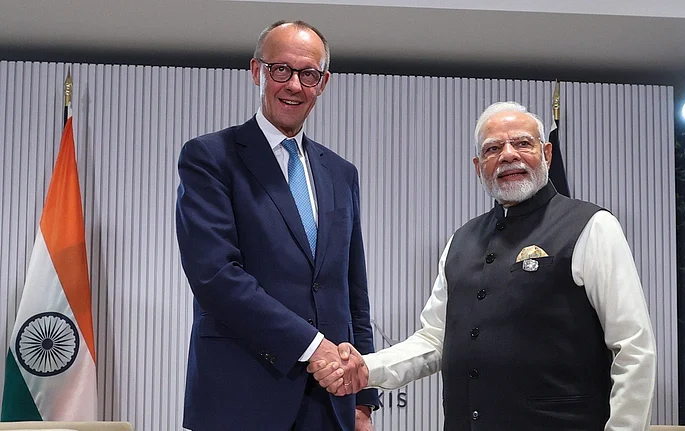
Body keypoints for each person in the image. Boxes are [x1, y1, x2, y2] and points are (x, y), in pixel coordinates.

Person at [309, 101, 657, 430]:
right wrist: (367, 367)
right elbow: (434, 340)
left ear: (547, 154)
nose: (508, 155)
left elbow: (633, 348)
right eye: (493, 148)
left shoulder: (592, 226)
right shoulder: (460, 241)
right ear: (478, 167)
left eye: (523, 143)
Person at [176, 20, 378, 431]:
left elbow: (352, 290)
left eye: (309, 74)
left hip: (331, 403)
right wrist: (312, 346)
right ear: (257, 71)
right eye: (281, 69)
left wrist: (363, 399)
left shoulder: (341, 173)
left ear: (323, 83)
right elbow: (215, 276)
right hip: (241, 400)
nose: (294, 85)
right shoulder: (210, 157)